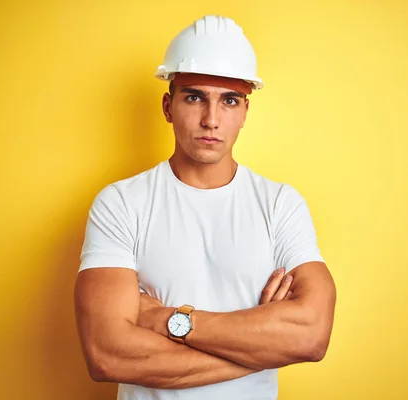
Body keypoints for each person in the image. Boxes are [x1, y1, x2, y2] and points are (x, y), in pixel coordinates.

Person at [74, 15, 336, 400]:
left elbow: (312, 334)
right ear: (168, 105)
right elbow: (106, 354)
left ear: (245, 112)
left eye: (229, 100)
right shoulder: (121, 204)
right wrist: (262, 349)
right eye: (194, 97)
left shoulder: (280, 205)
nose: (211, 119)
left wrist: (166, 320)